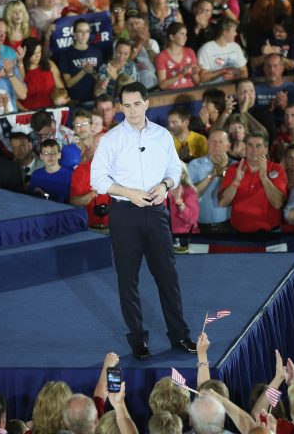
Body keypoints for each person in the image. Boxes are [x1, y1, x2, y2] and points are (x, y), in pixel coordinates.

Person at [90, 81, 195, 360]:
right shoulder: (111, 139)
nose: (133, 110)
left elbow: (174, 168)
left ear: (147, 103)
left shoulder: (162, 135)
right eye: (127, 105)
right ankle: (138, 340)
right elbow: (97, 179)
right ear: (120, 108)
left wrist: (165, 185)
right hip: (125, 213)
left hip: (157, 211)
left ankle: (180, 335)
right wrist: (128, 193)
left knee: (167, 276)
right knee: (128, 279)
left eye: (138, 103)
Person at [219, 131, 287, 232]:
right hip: (239, 235)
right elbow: (223, 203)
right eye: (250, 145)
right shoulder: (234, 169)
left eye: (258, 146)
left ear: (266, 149)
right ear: (245, 148)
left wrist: (264, 177)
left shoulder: (277, 169)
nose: (254, 149)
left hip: (270, 236)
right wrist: (236, 182)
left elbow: (277, 203)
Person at [188, 129, 235, 233]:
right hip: (201, 227)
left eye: (221, 142)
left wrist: (223, 171)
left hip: (228, 226)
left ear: (228, 146)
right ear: (208, 143)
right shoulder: (195, 164)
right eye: (213, 141)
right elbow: (192, 194)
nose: (216, 145)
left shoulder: (235, 166)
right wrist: (212, 174)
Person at [58, 18, 104, 104]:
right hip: (76, 101)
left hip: (95, 99)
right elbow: (68, 83)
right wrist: (83, 71)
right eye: (80, 31)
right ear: (74, 34)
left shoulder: (97, 52)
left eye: (87, 31)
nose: (84, 35)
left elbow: (101, 79)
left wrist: (92, 72)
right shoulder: (66, 55)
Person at [197, 18, 248, 84]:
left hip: (233, 87)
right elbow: (202, 78)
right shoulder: (206, 49)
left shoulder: (236, 47)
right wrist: (223, 71)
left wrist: (235, 75)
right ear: (224, 32)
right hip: (212, 89)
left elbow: (245, 72)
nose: (236, 34)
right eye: (234, 31)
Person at [156, 23, 201, 90]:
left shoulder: (190, 52)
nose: (185, 37)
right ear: (172, 37)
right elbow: (162, 85)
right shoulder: (162, 56)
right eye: (182, 34)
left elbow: (197, 82)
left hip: (191, 92)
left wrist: (194, 73)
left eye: (186, 34)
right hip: (172, 95)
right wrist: (181, 74)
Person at [168, 162, 201, 238]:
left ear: (183, 176)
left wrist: (180, 203)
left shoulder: (189, 192)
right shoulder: (161, 191)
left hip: (185, 237)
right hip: (165, 237)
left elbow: (193, 219)